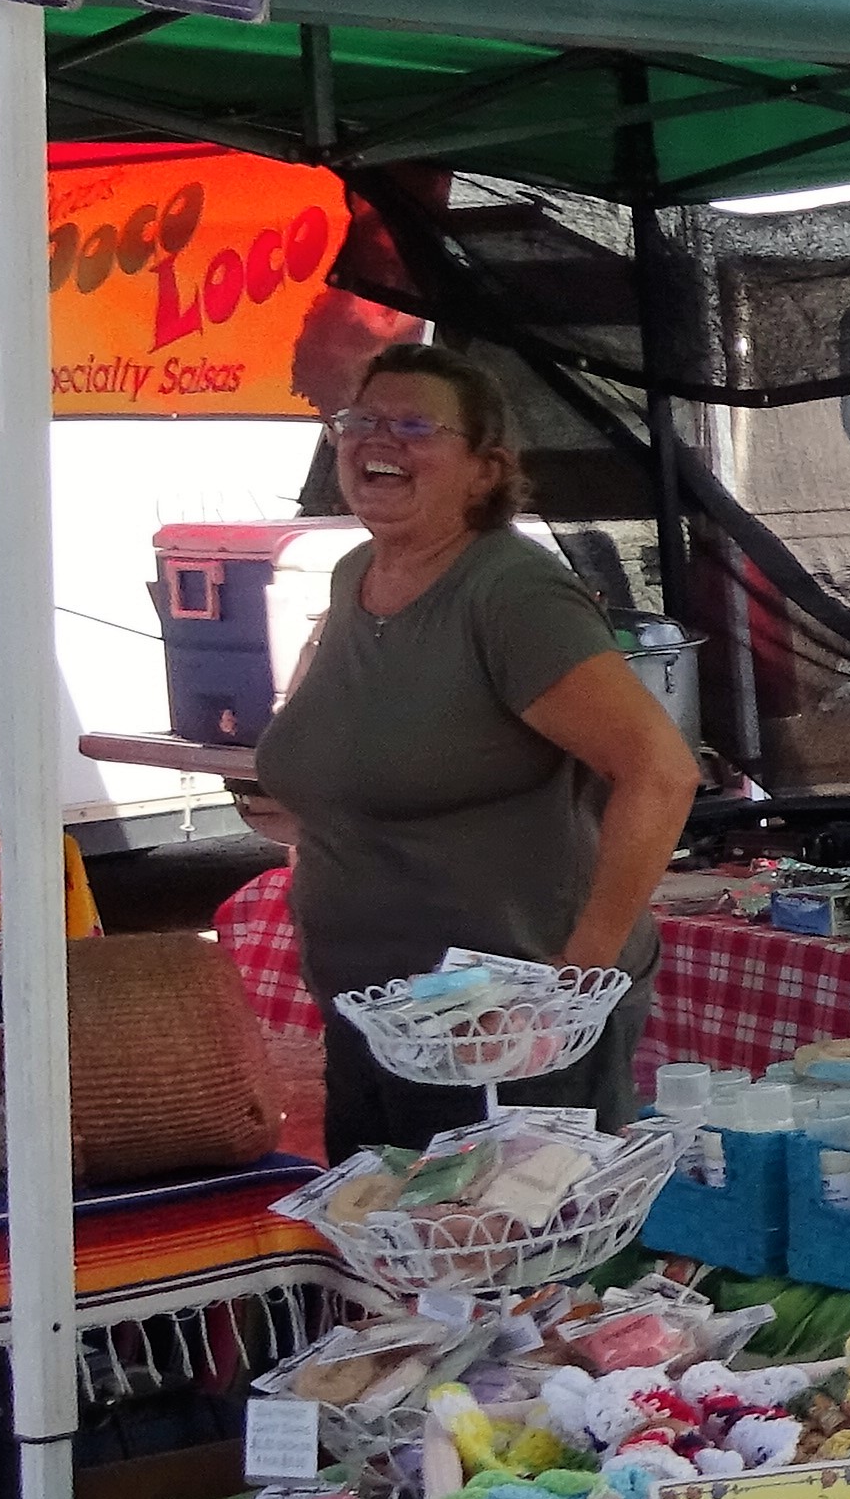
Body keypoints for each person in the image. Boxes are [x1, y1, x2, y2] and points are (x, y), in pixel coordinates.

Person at [252, 345, 702, 1153]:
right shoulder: (357, 573)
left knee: (503, 1267)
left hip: (503, 1031)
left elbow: (660, 772)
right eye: (360, 420)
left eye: (414, 425)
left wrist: (581, 975)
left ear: (484, 470)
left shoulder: (509, 593)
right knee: (392, 1262)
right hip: (380, 1018)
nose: (375, 440)